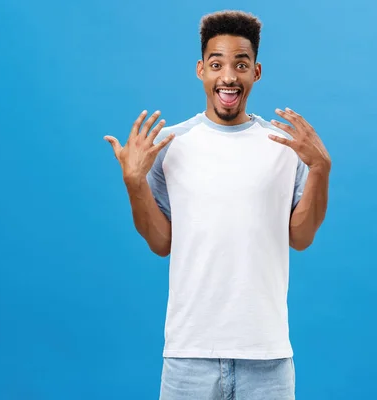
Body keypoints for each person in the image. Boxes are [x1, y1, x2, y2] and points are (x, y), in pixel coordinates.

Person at [104, 10, 331, 400]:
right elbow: (161, 243)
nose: (229, 76)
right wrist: (134, 183)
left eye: (241, 65)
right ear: (201, 70)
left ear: (255, 73)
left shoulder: (283, 146)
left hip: (267, 357)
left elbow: (301, 237)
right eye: (217, 64)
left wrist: (321, 169)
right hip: (189, 356)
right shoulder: (171, 144)